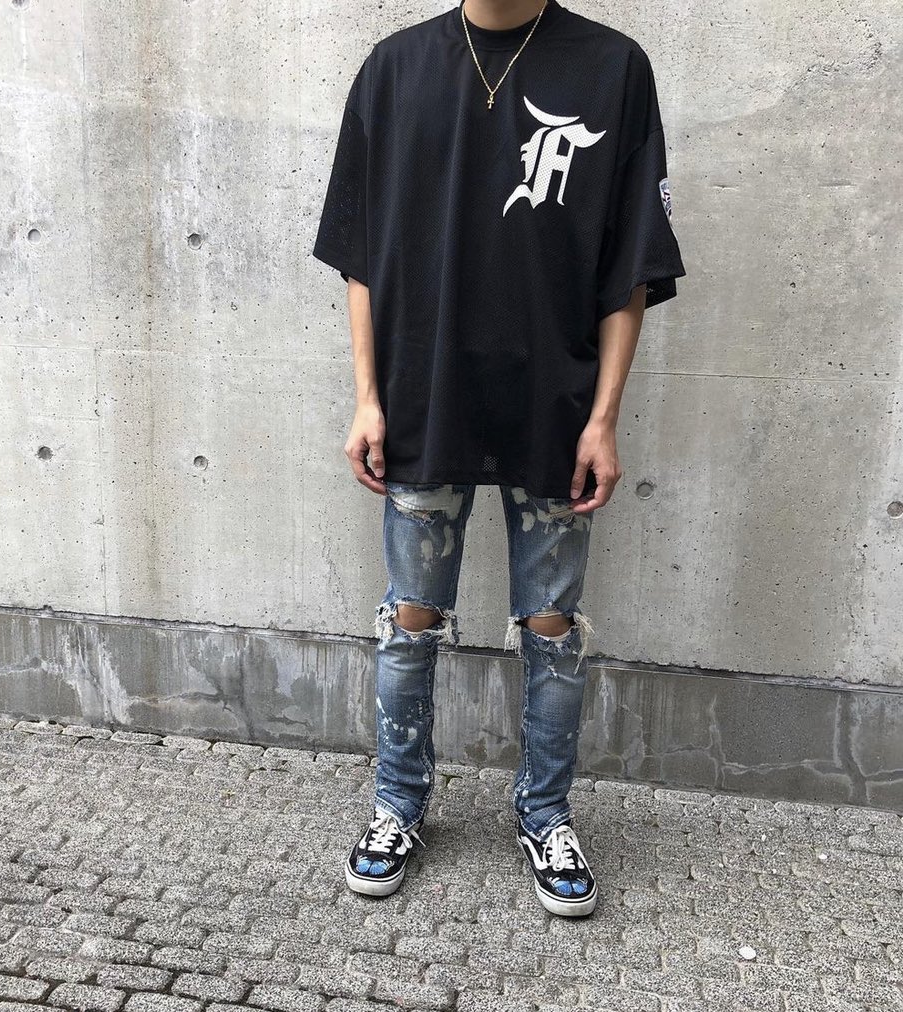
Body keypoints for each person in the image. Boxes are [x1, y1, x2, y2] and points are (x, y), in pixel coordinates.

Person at [312, 0, 686, 917]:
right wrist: (367, 397)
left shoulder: (613, 68)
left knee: (552, 630)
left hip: (554, 406)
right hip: (423, 395)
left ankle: (545, 813)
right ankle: (398, 805)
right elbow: (362, 257)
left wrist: (604, 418)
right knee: (409, 620)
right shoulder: (394, 70)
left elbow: (630, 269)